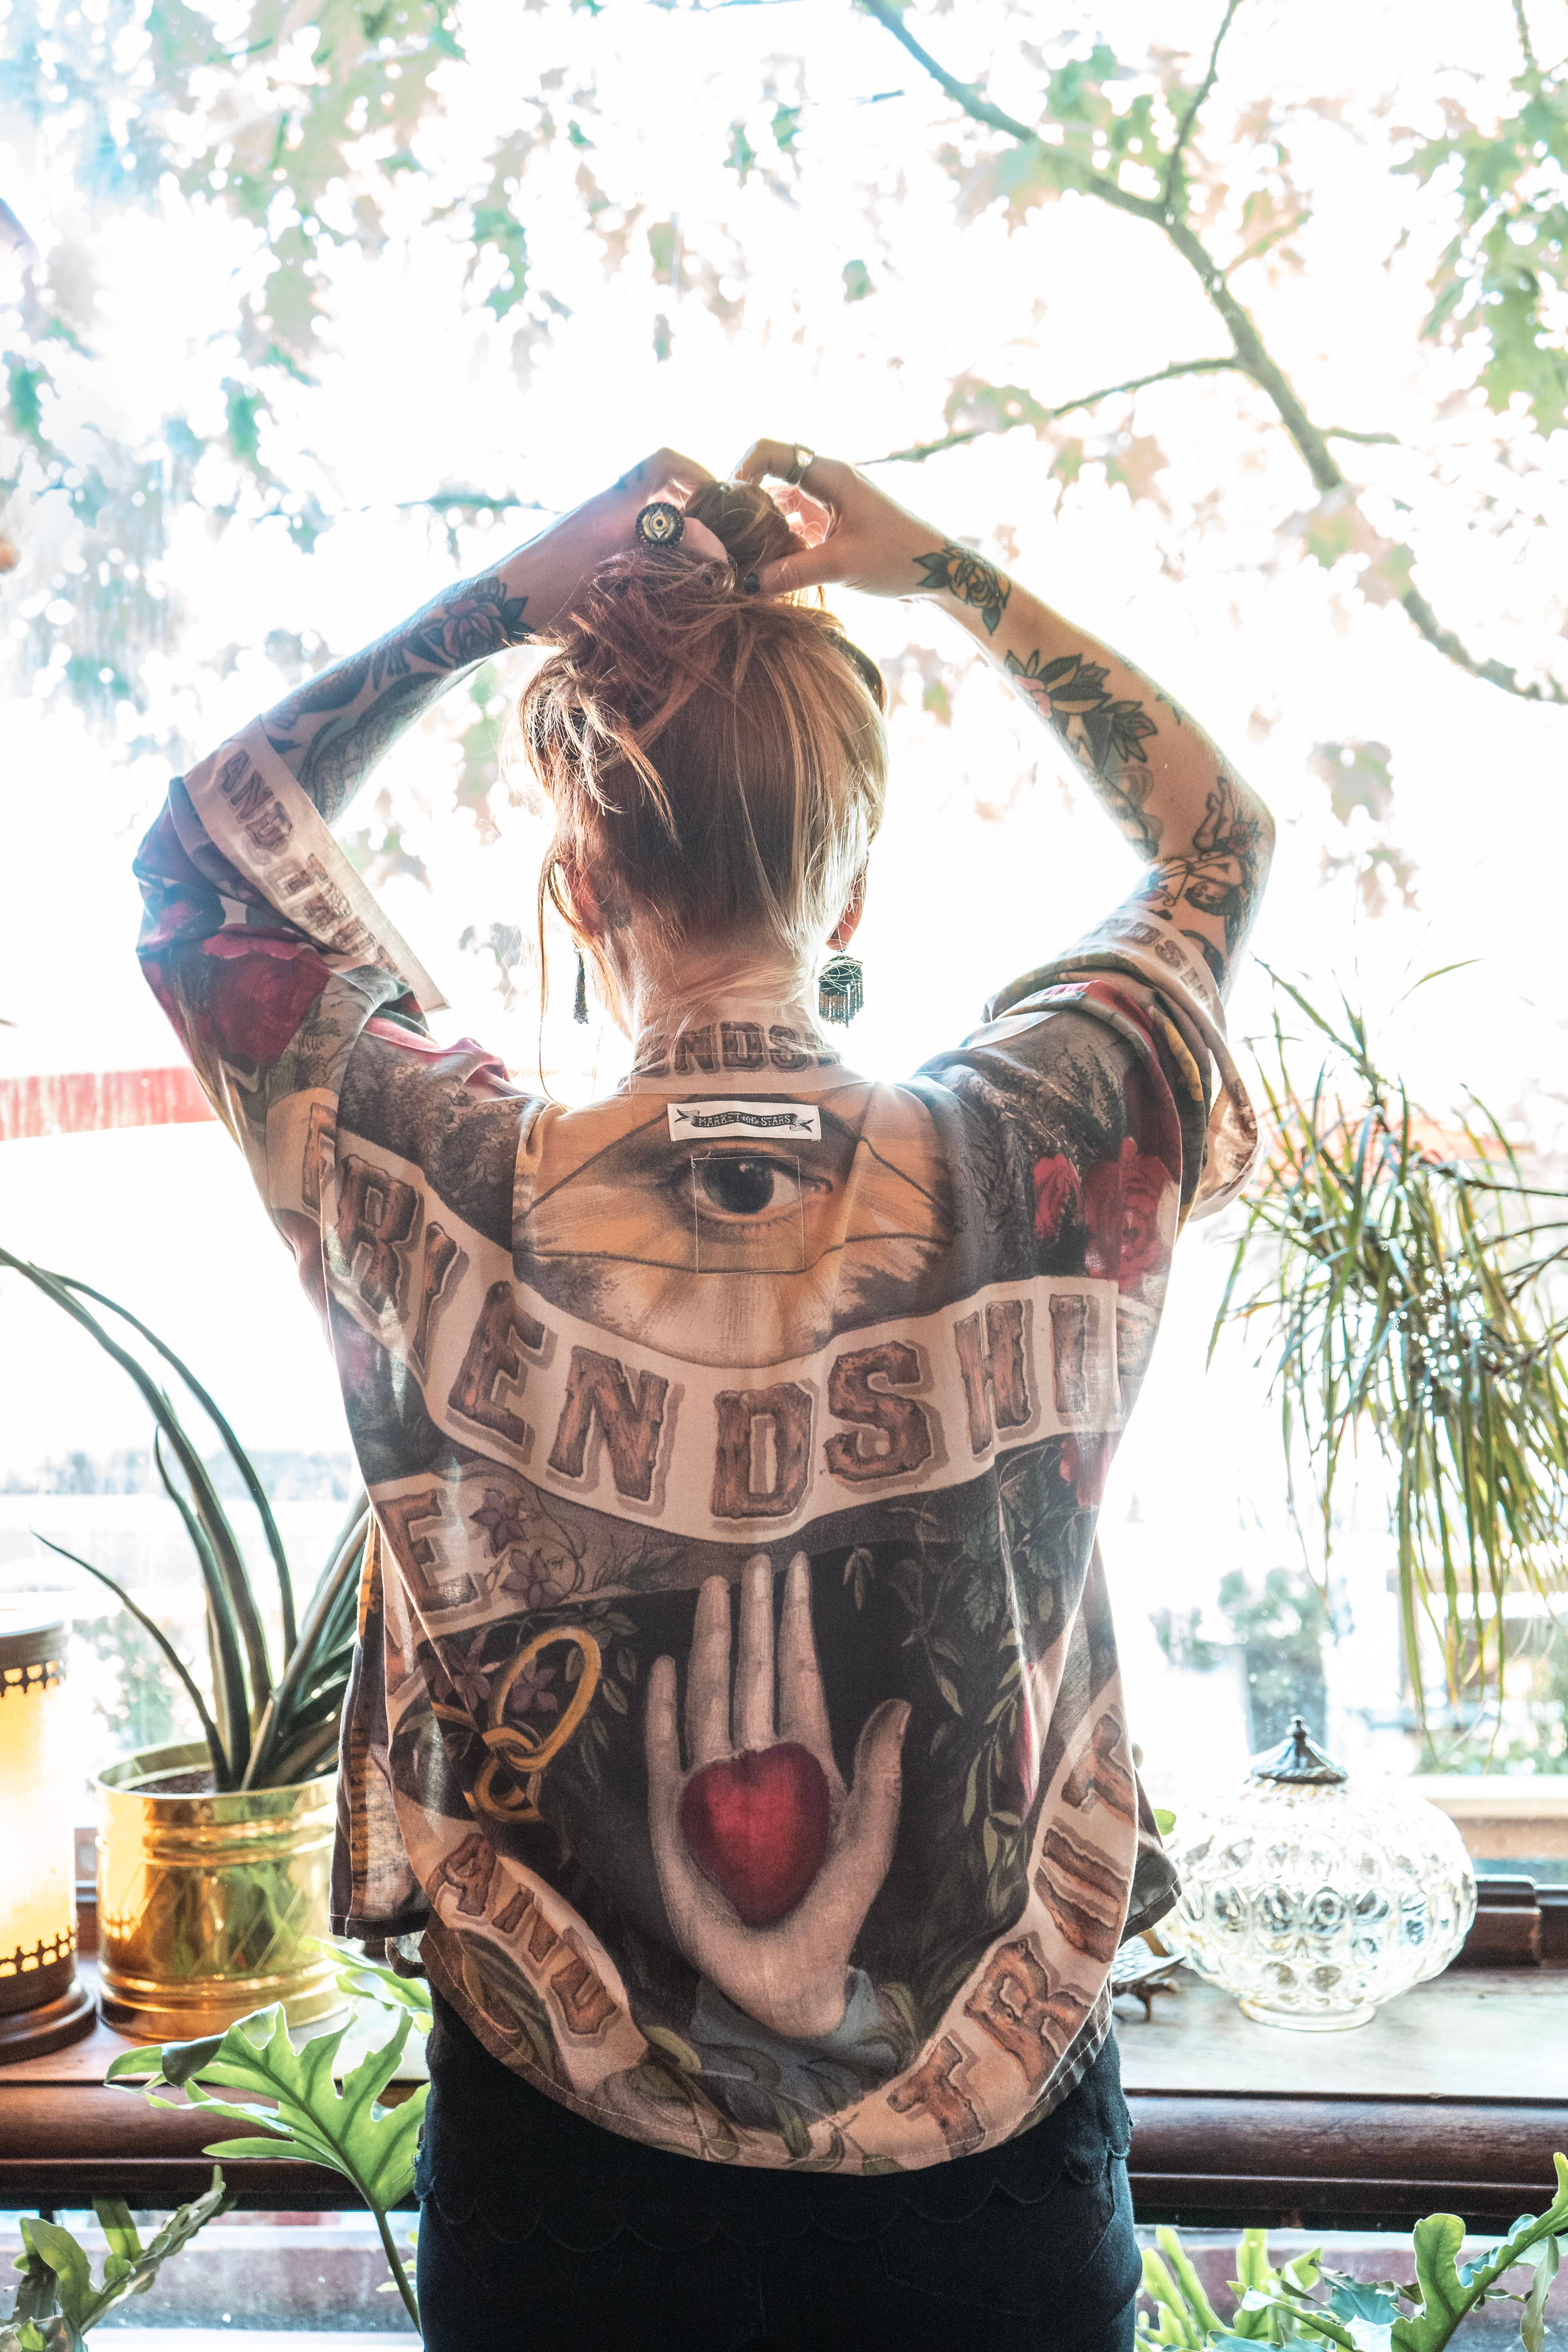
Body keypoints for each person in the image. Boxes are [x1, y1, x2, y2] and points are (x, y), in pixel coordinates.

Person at [134, 439, 1270, 2351]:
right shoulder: (1032, 1143)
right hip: (986, 2165)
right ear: (852, 894)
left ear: (579, 882)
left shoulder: (438, 1160)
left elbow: (196, 861)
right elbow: (1217, 840)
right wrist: (936, 570)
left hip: (565, 2176)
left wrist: (507, 598)